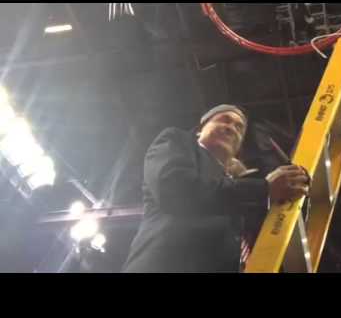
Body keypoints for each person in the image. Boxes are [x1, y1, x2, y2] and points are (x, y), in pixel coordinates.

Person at [122, 104, 309, 272]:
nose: (231, 128)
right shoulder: (177, 140)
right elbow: (176, 188)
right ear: (200, 129)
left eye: (239, 127)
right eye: (223, 120)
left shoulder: (235, 184)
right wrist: (262, 188)